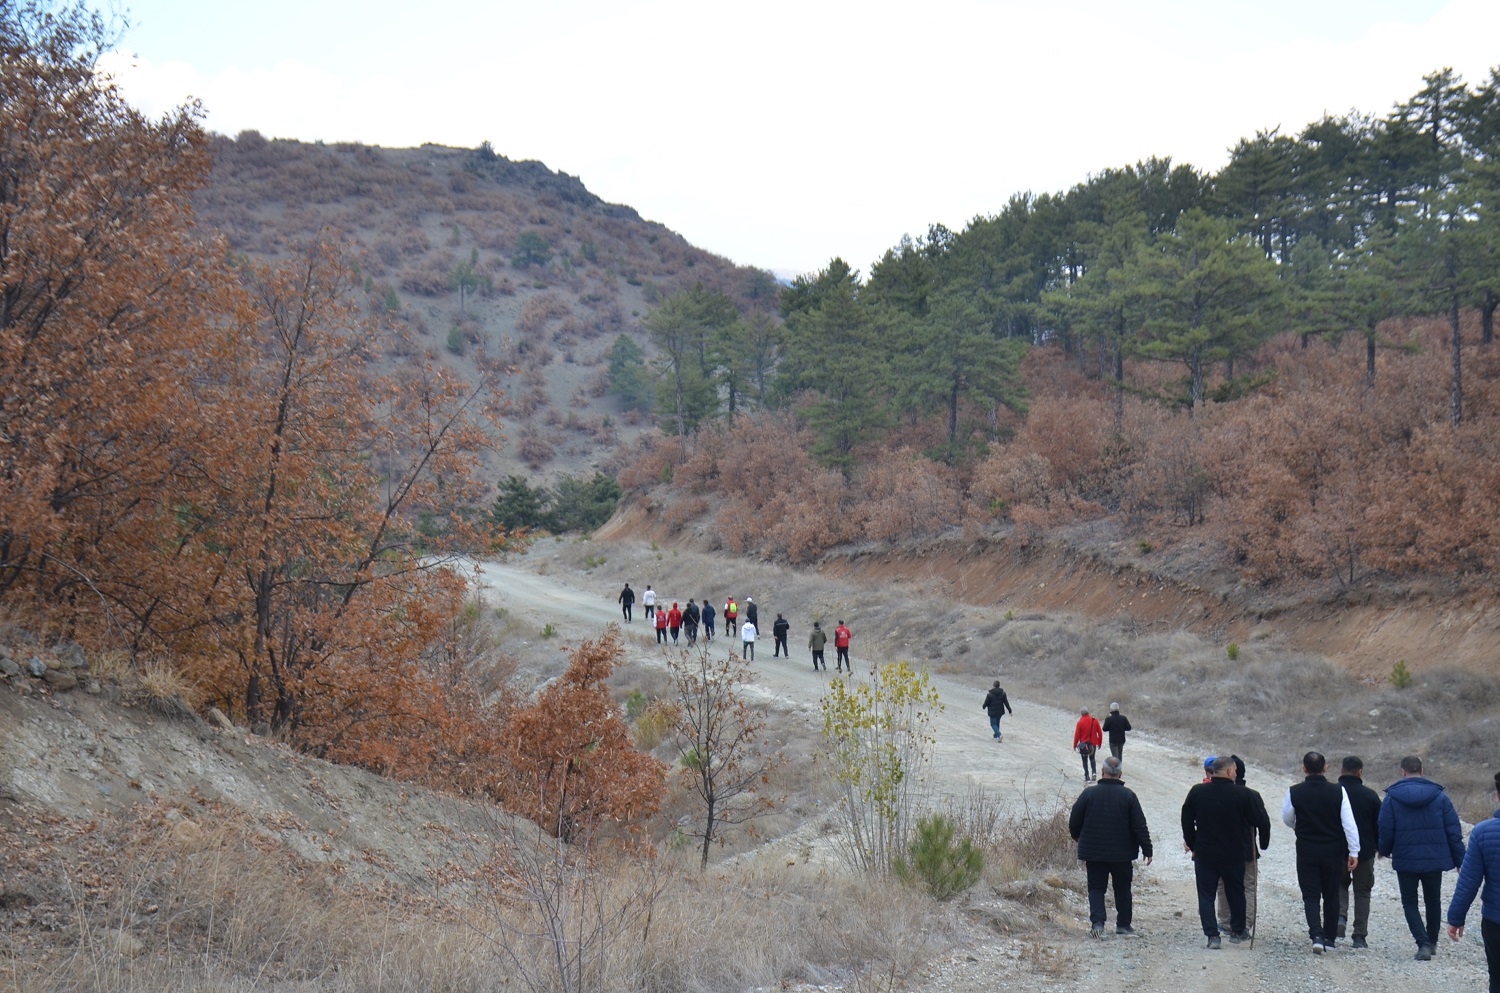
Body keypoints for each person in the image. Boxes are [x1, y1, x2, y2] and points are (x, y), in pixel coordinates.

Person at [1379, 754, 1466, 961]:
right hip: (1434, 859)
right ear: (1422, 771)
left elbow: (1385, 829)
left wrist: (1383, 850)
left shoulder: (1392, 798)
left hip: (1406, 859)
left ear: (1402, 772)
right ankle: (1433, 941)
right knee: (1433, 901)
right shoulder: (1440, 797)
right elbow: (1453, 830)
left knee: (1410, 903)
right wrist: (1460, 861)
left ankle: (1423, 943)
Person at [1183, 754, 1265, 948]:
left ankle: (1212, 936)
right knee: (1236, 891)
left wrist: (1192, 843)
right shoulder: (1244, 794)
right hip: (1233, 853)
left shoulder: (1197, 792)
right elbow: (1259, 821)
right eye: (1235, 770)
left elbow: (1186, 819)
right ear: (1229, 771)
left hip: (1204, 853)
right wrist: (1263, 842)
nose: (1236, 773)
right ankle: (1237, 931)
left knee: (1206, 895)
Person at [1282, 751, 1360, 954]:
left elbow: (1287, 819)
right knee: (1332, 894)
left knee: (1310, 894)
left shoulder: (1294, 791)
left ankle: (1316, 935)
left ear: (1304, 769)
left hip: (1306, 849)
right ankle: (1330, 938)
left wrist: (1300, 827)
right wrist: (1354, 851)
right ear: (1325, 768)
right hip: (1333, 850)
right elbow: (1349, 824)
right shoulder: (1338, 791)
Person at [1069, 755, 1153, 938]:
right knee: (1123, 888)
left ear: (1102, 772)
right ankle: (1123, 925)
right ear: (1120, 774)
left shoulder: (1088, 794)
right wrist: (1147, 849)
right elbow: (1139, 825)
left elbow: (1074, 821)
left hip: (1094, 852)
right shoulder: (1129, 796)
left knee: (1096, 888)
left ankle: (1097, 925)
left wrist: (1078, 838)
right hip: (1122, 854)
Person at [1446, 770, 1500, 993]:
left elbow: (1469, 881)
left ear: (1498, 795)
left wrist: (1456, 917)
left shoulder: (1483, 832)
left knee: (1497, 979)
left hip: (1496, 922)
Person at [1215, 756, 1272, 938]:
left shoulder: (1215, 792)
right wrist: (1262, 844)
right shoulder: (1251, 795)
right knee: (1247, 886)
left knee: (1223, 885)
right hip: (1246, 850)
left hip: (1221, 849)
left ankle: (1224, 922)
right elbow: (1264, 823)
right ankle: (1245, 925)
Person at [1337, 755, 1382, 949]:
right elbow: (1379, 826)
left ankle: (1339, 917)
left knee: (1339, 886)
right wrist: (1381, 847)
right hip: (1364, 852)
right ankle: (1359, 936)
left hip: (1337, 850)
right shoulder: (1370, 795)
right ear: (1360, 772)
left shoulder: (1333, 793)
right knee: (1362, 892)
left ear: (1341, 770)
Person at [1073, 708, 1102, 782]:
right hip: (1093, 744)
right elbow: (1100, 733)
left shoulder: (1080, 722)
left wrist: (1075, 745)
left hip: (1083, 745)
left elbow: (1077, 735)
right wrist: (1099, 742)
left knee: (1084, 760)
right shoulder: (1094, 720)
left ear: (1081, 714)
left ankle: (1087, 776)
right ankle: (1094, 773)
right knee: (1092, 758)